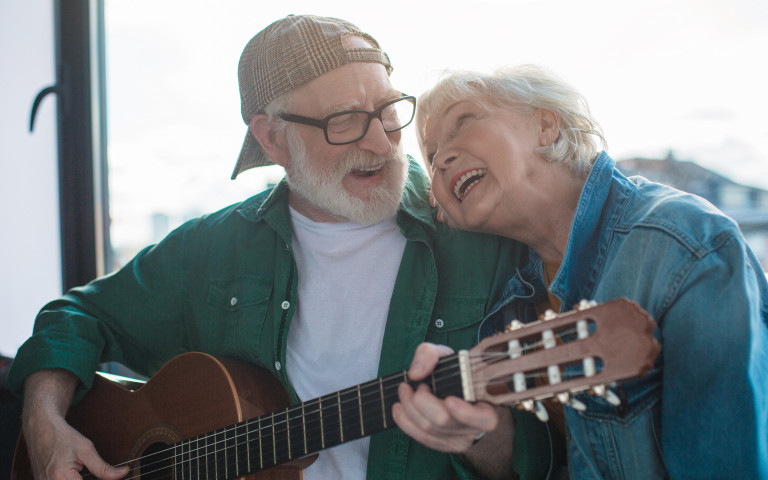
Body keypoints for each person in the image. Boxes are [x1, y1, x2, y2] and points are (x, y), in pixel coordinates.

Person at [7, 15, 558, 480]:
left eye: (389, 110)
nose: (379, 141)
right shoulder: (212, 249)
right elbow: (74, 316)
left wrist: (484, 436)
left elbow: (546, 454)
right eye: (344, 120)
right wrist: (44, 424)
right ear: (272, 138)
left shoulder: (483, 236)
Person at [395, 64, 768, 479]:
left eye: (463, 122)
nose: (441, 159)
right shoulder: (509, 294)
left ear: (546, 125)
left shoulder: (683, 244)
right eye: (429, 158)